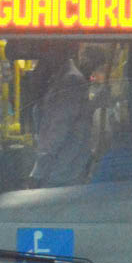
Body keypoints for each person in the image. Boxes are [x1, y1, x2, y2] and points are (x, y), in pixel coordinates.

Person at [26, 42, 92, 188]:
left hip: (62, 172)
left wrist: (37, 172)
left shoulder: (71, 80)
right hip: (57, 170)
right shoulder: (56, 78)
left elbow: (58, 129)